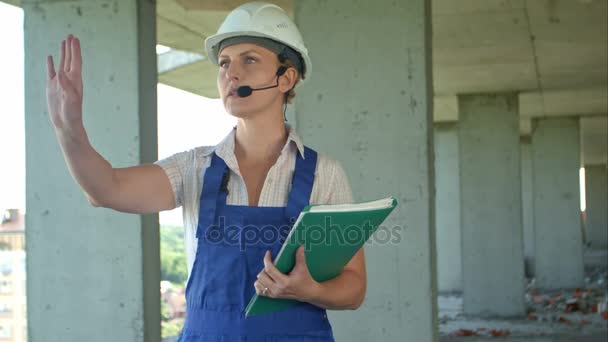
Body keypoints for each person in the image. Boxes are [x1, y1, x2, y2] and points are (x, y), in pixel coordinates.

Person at [46, 1, 366, 341]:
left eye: (250, 59)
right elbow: (106, 189)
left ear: (286, 78)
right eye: (225, 63)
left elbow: (354, 286)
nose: (232, 73)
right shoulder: (193, 168)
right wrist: (70, 129)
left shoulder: (324, 175)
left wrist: (310, 289)